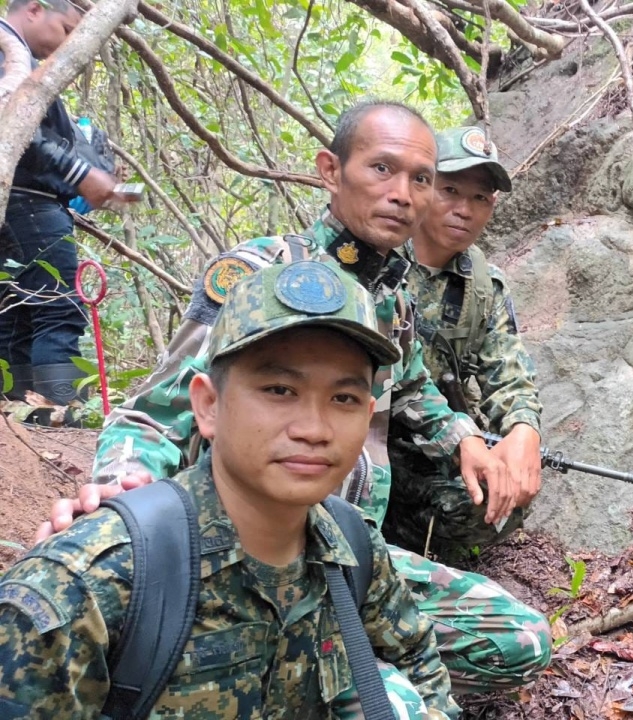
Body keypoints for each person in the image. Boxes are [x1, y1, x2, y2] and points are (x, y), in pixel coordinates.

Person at [38, 102, 552, 696]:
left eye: (420, 179)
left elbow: (412, 386)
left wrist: (466, 439)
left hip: (349, 549)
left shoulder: (393, 296)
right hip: (240, 548)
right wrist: (121, 491)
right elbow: (156, 412)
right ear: (330, 171)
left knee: (520, 639)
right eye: (382, 169)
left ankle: (320, 662)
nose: (402, 194)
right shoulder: (263, 273)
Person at [0, 259, 460, 718]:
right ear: (208, 406)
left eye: (344, 398)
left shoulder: (351, 542)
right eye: (279, 390)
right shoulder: (91, 583)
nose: (314, 429)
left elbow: (418, 660)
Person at [383, 125, 544, 559]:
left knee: (496, 499)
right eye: (450, 190)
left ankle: (410, 542)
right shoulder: (379, 258)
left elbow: (508, 368)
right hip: (361, 439)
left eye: (480, 199)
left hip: (433, 450)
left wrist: (523, 428)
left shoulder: (482, 287)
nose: (464, 210)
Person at [0, 0, 135, 409]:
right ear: (35, 9)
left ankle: (20, 417)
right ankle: (60, 416)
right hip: (31, 205)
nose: (67, 45)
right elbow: (15, 129)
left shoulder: (18, 62)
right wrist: (80, 174)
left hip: (20, 204)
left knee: (16, 313)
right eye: (66, 29)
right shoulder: (9, 56)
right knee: (58, 309)